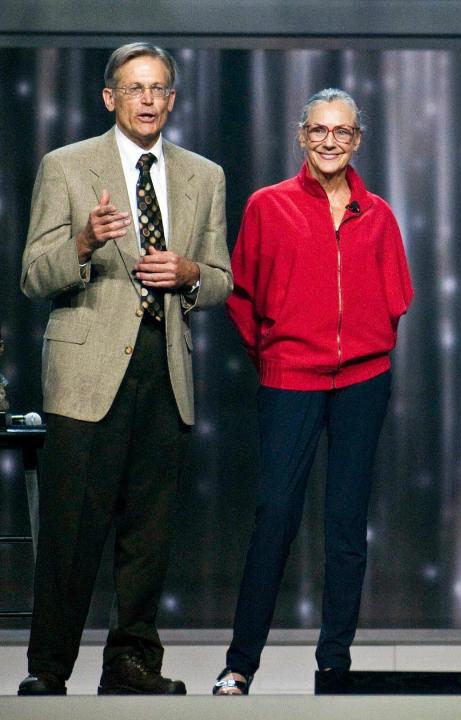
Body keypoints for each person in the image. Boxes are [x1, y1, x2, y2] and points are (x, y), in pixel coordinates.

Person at [18, 42, 232, 695]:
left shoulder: (205, 175)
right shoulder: (68, 165)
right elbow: (32, 274)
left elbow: (222, 277)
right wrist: (82, 244)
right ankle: (49, 669)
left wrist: (190, 273)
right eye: (134, 88)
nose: (147, 99)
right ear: (110, 97)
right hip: (86, 371)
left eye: (159, 88)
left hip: (163, 365)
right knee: (69, 529)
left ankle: (132, 664)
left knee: (149, 532)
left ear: (171, 99)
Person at [213, 88, 413, 695]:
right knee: (275, 515)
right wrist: (279, 356)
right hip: (289, 378)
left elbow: (396, 296)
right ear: (303, 136)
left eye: (343, 132)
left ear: (357, 140)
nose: (330, 140)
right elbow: (243, 297)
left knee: (347, 524)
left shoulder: (376, 213)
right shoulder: (268, 206)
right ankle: (240, 663)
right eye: (320, 130)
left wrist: (365, 348)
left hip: (362, 381)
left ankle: (335, 662)